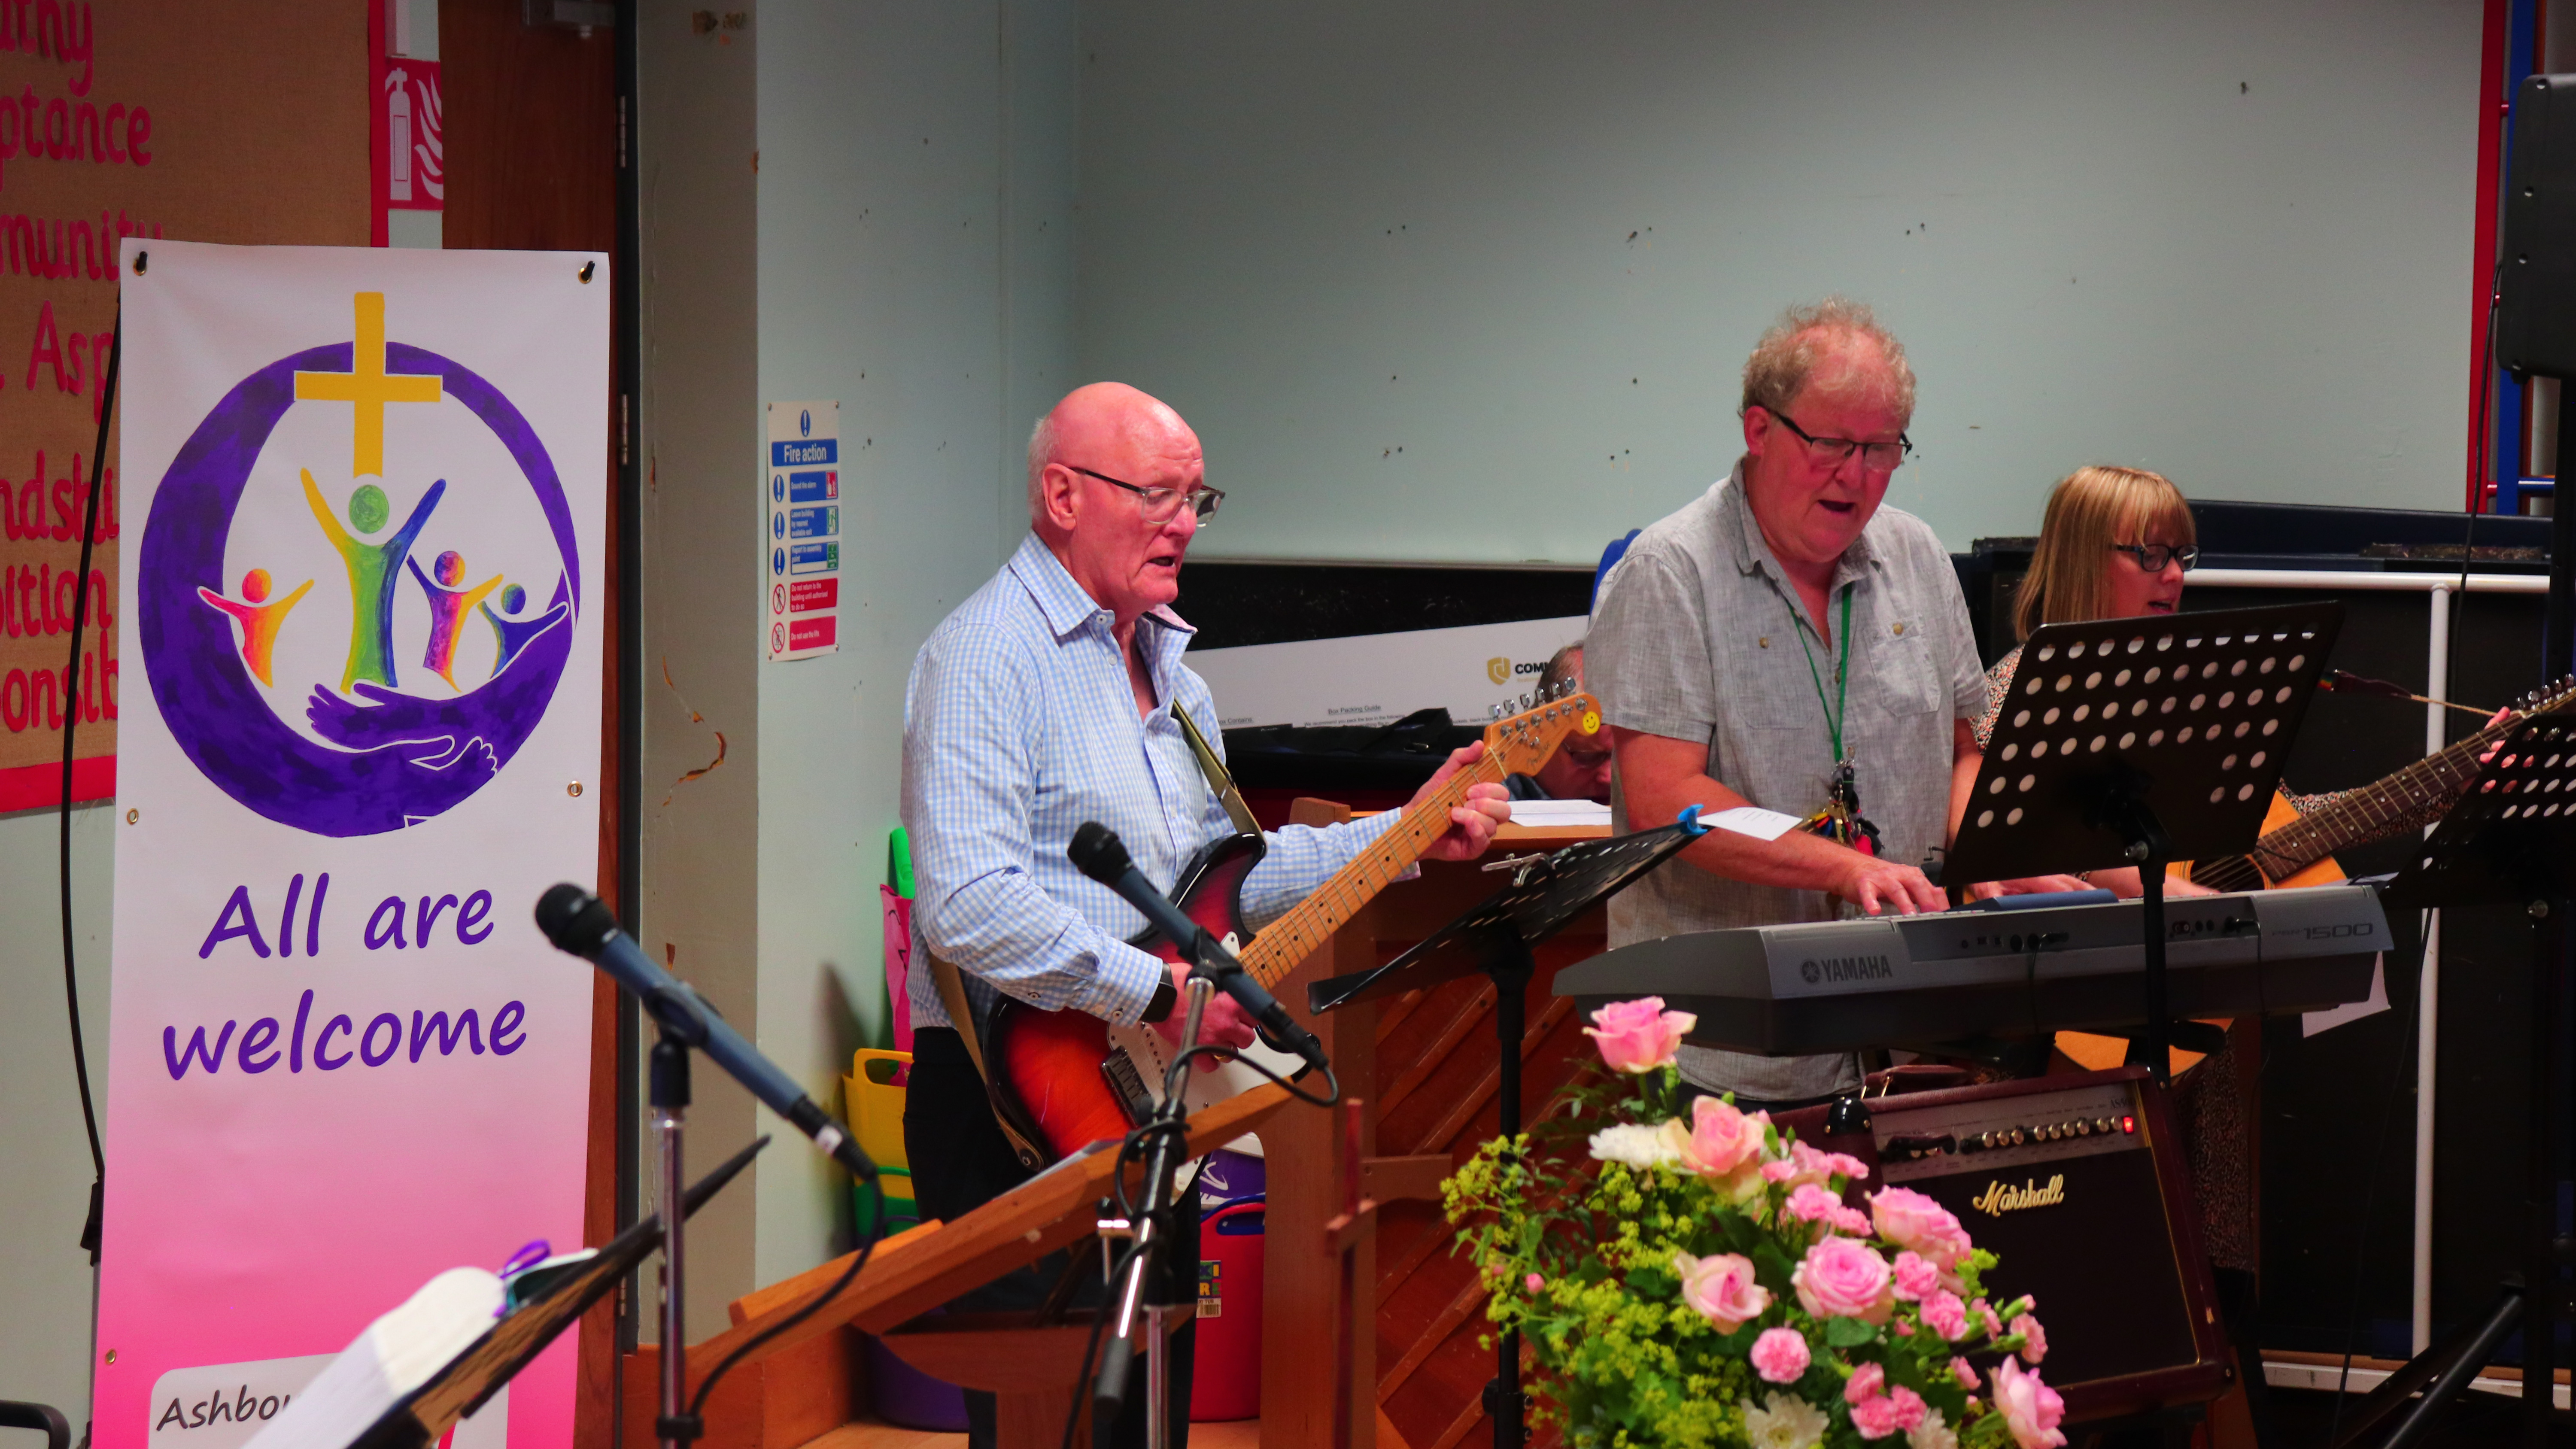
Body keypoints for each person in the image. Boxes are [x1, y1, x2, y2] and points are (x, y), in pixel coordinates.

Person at [900, 381, 1513, 1448]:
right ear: (1061, 495)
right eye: (1158, 494)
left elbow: (1228, 879)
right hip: (1017, 1099)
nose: (1185, 523)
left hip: (1149, 1092)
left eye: (1198, 498)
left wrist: (1404, 835)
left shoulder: (1169, 666)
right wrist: (1154, 989)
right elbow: (964, 903)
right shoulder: (985, 656)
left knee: (1151, 1429)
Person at [1587, 298, 2081, 1112]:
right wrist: (1847, 867)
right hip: (1729, 1055)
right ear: (1759, 430)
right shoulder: (1669, 570)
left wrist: (1998, 849)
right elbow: (1664, 797)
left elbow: (1963, 753)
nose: (1856, 476)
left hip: (1911, 1034)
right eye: (1831, 446)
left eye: (1882, 450)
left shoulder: (1917, 556)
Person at [1504, 641, 1613, 803]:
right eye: (1588, 757)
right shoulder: (1481, 805)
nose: (1609, 778)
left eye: (1624, 758)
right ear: (1540, 732)